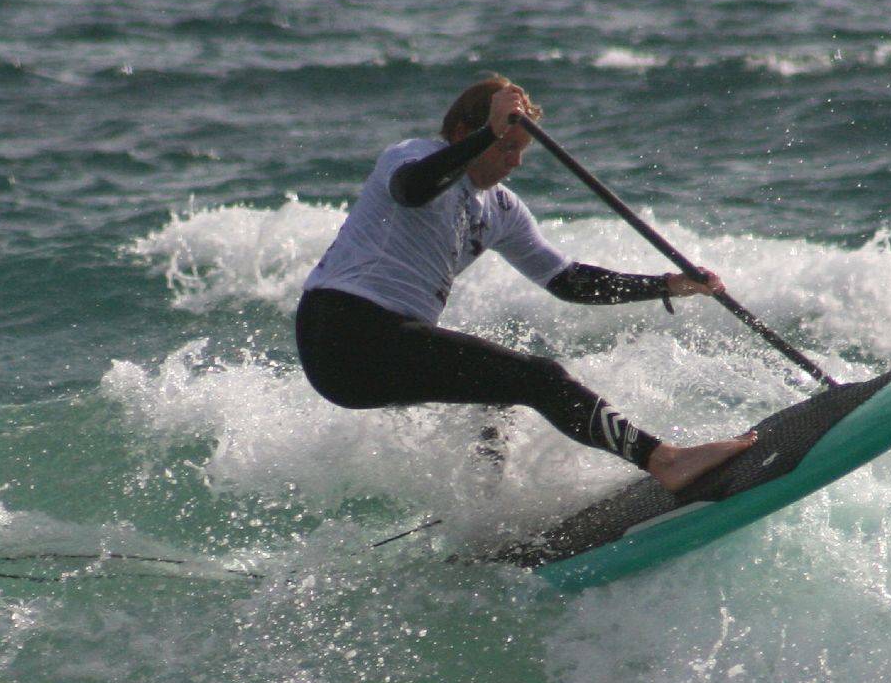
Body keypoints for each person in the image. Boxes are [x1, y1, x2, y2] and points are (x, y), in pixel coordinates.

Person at [295, 76, 756, 492]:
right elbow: (412, 190)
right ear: (464, 134)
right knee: (540, 378)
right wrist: (488, 133)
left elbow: (568, 281)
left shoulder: (502, 209)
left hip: (384, 348)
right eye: (505, 146)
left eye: (520, 149)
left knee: (500, 394)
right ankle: (665, 460)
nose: (514, 161)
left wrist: (667, 285)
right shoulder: (413, 156)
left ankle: (485, 511)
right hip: (343, 331)